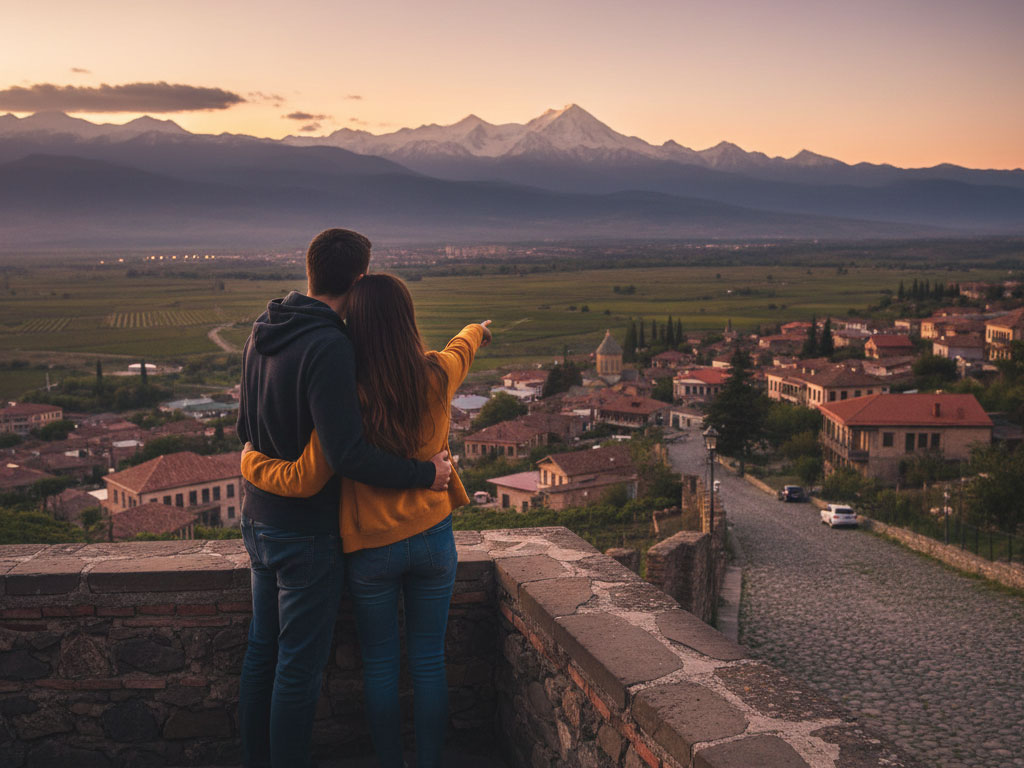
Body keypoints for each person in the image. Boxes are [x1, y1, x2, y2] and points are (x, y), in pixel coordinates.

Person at [241, 273, 491, 768]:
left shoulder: (349, 394)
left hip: (372, 546)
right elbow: (462, 347)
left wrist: (249, 462)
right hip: (434, 539)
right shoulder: (439, 373)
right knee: (428, 661)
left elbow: (310, 472)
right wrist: (479, 329)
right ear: (408, 320)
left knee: (379, 664)